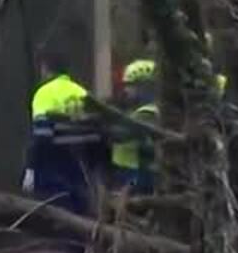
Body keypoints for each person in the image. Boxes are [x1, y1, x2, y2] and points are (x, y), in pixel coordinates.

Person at [24, 52, 100, 218]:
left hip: (52, 168)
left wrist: (31, 168)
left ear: (46, 70)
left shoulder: (44, 93)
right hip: (80, 168)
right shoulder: (82, 93)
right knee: (80, 222)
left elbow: (42, 135)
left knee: (55, 221)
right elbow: (96, 134)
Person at [110, 57, 159, 195]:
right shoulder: (141, 111)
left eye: (130, 85)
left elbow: (120, 135)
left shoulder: (147, 114)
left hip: (135, 178)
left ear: (143, 86)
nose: (126, 90)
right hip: (131, 175)